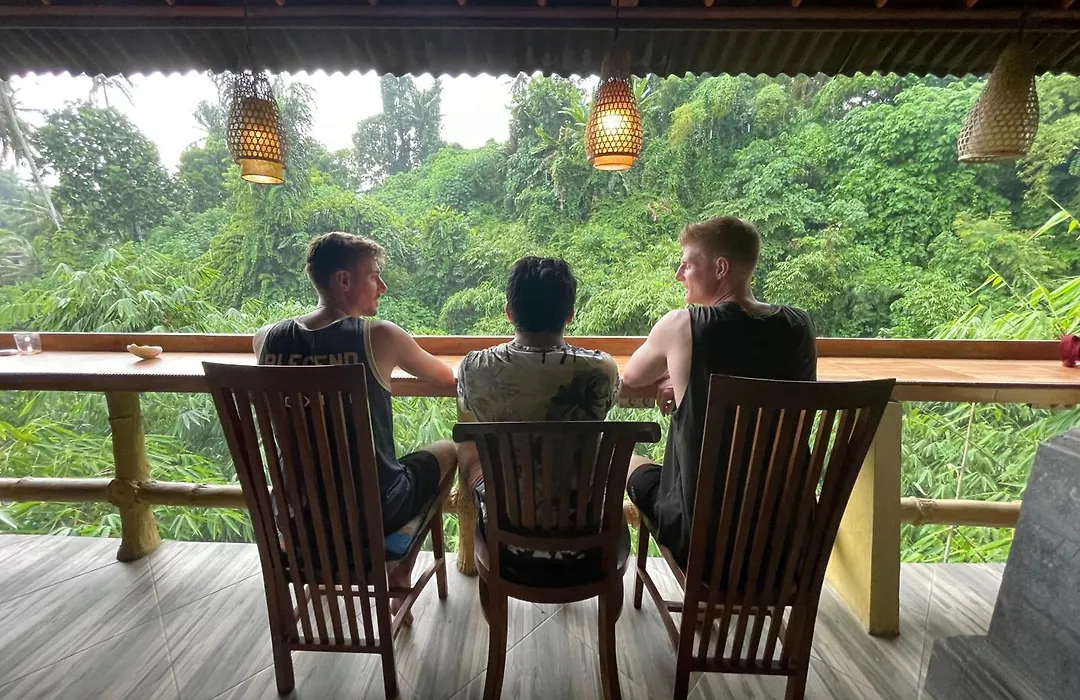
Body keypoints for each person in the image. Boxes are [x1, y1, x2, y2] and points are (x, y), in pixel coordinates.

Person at [254, 231, 459, 619]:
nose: (382, 286)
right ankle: (400, 568)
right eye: (373, 275)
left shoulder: (266, 339)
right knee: (449, 449)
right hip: (372, 516)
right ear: (344, 280)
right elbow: (445, 378)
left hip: (296, 519)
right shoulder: (380, 337)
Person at [621, 216, 817, 564]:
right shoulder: (799, 326)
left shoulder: (682, 326)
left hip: (704, 543)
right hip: (789, 542)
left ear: (720, 268)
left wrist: (676, 373)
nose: (679, 275)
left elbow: (632, 377)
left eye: (687, 265)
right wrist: (681, 375)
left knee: (624, 460)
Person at [456, 256, 621, 574]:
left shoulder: (474, 367)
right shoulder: (601, 369)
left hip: (506, 535)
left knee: (466, 447)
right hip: (586, 535)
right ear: (570, 314)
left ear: (509, 312)